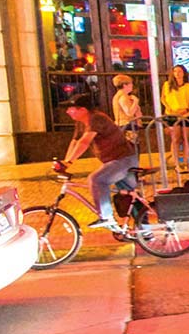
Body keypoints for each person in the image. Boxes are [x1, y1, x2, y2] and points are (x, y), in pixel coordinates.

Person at [56, 94, 137, 231]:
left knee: (97, 179)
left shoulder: (96, 118)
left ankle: (106, 216)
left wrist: (69, 162)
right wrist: (65, 162)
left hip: (123, 160)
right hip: (113, 161)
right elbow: (75, 142)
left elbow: (84, 142)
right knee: (130, 196)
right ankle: (144, 231)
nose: (67, 112)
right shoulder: (81, 123)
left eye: (71, 108)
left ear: (83, 110)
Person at [161, 66, 189, 166]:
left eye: (179, 71)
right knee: (175, 138)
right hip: (172, 113)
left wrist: (186, 109)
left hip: (185, 114)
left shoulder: (188, 86)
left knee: (186, 138)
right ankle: (176, 162)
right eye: (175, 71)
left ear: (184, 73)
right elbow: (163, 98)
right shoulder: (167, 85)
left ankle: (186, 161)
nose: (177, 73)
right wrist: (170, 109)